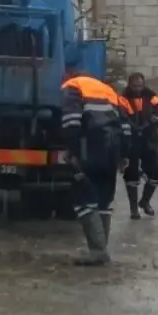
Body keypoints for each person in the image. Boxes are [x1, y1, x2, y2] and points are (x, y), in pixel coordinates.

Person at [61, 67, 131, 266]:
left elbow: (71, 121)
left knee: (83, 200)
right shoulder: (108, 90)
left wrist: (71, 150)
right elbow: (125, 125)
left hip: (88, 150)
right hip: (111, 152)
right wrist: (124, 154)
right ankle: (100, 249)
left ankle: (98, 251)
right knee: (103, 201)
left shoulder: (72, 87)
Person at [121, 72, 158, 219]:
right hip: (131, 141)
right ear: (130, 85)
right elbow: (121, 115)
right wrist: (132, 127)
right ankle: (133, 209)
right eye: (135, 86)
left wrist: (154, 120)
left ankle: (145, 202)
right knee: (131, 175)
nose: (138, 88)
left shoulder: (151, 96)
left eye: (140, 85)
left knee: (155, 174)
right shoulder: (123, 98)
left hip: (149, 139)